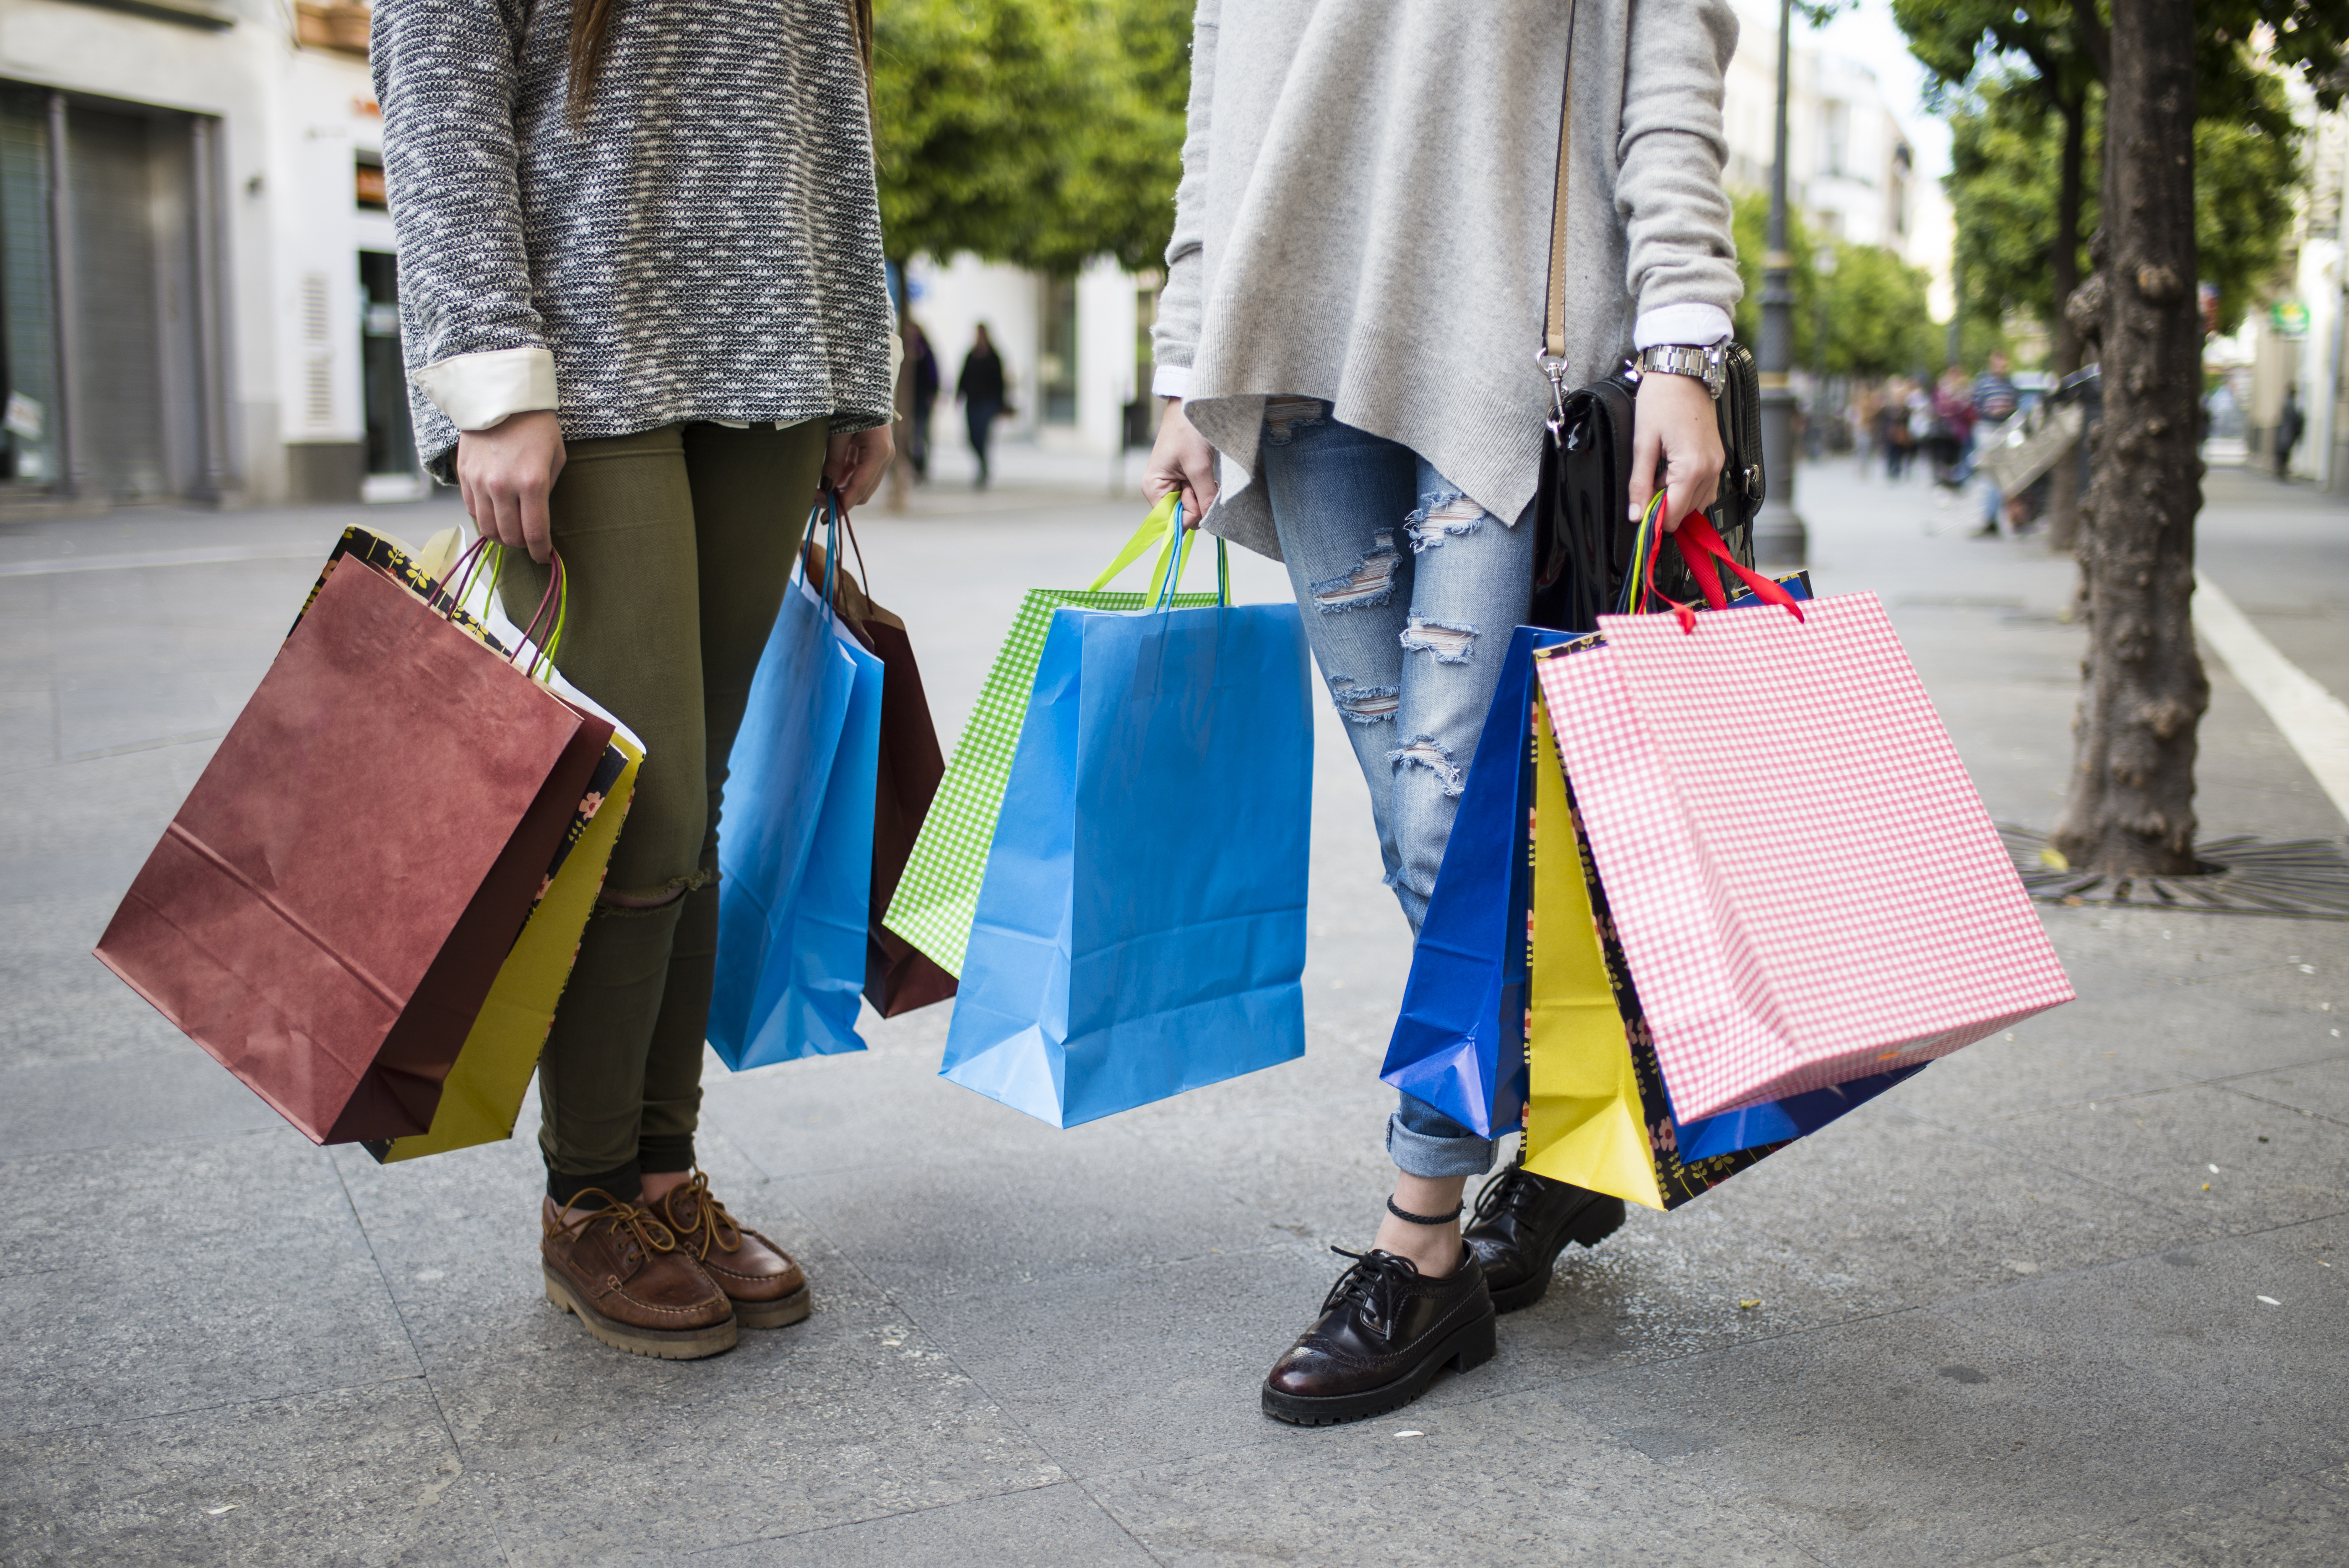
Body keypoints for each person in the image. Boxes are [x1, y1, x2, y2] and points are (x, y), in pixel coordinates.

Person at [1143, 0, 1740, 1425]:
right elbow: (1219, 107)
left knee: (1447, 821)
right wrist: (1184, 354)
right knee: (1430, 835)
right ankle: (1589, 1125)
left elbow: (1669, 60)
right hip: (1295, 364)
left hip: (1504, 365)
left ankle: (1422, 1245)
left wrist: (1683, 335)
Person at [375, 0, 895, 1360]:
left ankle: (663, 1177)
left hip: (775, 353)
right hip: (583, 365)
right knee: (635, 808)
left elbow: (823, 100)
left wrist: (860, 359)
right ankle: (589, 1189)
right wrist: (490, 375)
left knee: (698, 795)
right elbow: (437, 82)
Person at [1969, 351, 2020, 537]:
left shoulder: (2011, 385)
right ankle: (1989, 518)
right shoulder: (1983, 383)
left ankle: (1992, 518)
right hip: (1987, 428)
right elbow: (1975, 404)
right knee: (1990, 475)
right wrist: (1991, 409)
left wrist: (2005, 409)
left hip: (2004, 429)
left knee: (2000, 477)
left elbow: (2016, 405)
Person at [956, 325, 1007, 487]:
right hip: (972, 400)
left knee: (983, 436)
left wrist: (1001, 404)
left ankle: (983, 469)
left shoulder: (994, 357)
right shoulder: (971, 355)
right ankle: (983, 464)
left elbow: (1000, 382)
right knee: (972, 437)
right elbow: (964, 376)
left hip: (988, 402)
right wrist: (959, 394)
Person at [905, 316, 941, 482]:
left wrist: (933, 395)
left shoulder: (926, 353)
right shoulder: (903, 351)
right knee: (910, 435)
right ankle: (913, 466)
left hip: (922, 400)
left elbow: (934, 376)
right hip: (907, 401)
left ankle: (921, 467)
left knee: (921, 434)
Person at [2278, 384, 2305, 481]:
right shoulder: (2289, 403)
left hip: (2287, 430)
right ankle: (2282, 472)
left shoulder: (2288, 402)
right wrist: (2300, 416)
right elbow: (2293, 416)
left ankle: (2282, 471)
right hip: (2288, 430)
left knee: (2284, 452)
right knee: (2285, 452)